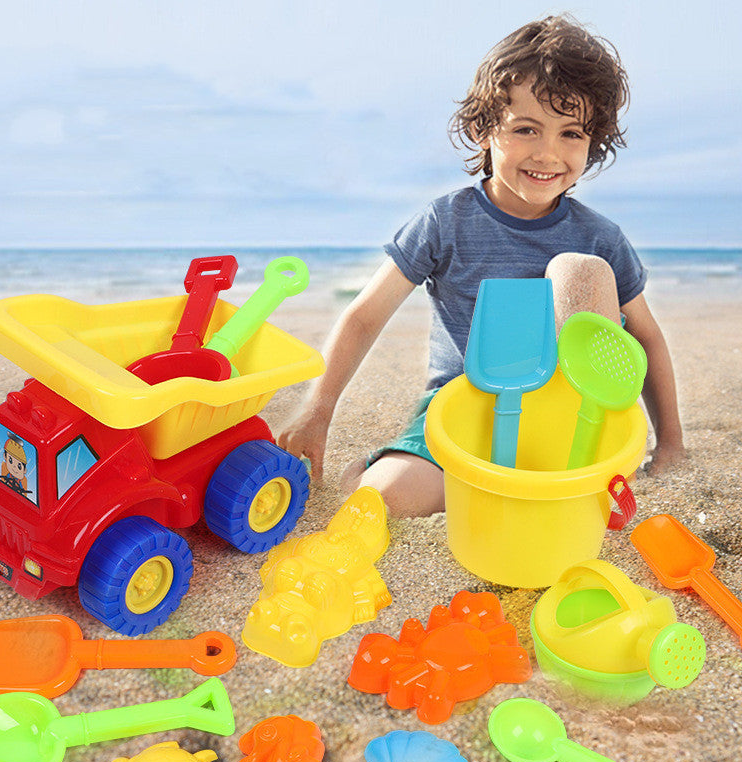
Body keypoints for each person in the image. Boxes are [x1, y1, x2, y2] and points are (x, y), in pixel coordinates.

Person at [278, 15, 686, 517]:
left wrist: (670, 445)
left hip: (566, 418)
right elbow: (365, 317)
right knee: (382, 500)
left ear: (592, 142)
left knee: (579, 270)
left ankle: (552, 475)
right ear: (483, 129)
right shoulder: (445, 222)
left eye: (571, 133)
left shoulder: (599, 237)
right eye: (526, 128)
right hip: (465, 409)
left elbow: (644, 338)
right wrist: (318, 411)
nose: (548, 153)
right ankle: (398, 469)